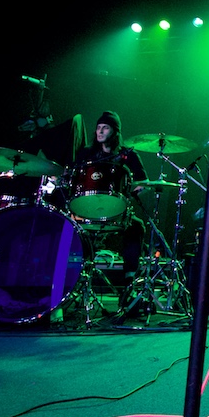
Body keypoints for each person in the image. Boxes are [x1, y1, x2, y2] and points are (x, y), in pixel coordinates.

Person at [69, 111, 148, 289]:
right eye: (98, 128)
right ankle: (71, 279)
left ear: (115, 131)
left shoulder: (129, 155)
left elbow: (143, 183)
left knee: (137, 226)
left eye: (105, 128)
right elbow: (72, 179)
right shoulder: (86, 154)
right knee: (68, 225)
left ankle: (129, 279)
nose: (100, 131)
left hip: (116, 211)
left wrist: (128, 194)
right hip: (87, 209)